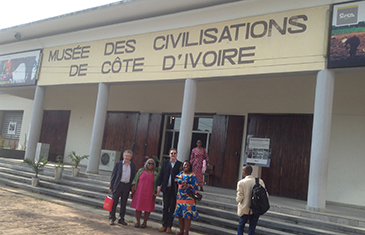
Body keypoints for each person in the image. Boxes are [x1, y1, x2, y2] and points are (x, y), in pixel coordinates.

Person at [156, 148, 182, 234]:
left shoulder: (179, 164)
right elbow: (161, 175)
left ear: (177, 154)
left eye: (174, 153)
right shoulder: (165, 163)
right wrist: (159, 186)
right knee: (165, 207)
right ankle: (164, 225)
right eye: (171, 153)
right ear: (169, 154)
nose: (173, 154)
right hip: (166, 189)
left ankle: (169, 226)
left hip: (174, 190)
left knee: (172, 208)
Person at [236, 165, 267, 235]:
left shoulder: (241, 182)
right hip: (256, 208)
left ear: (244, 172)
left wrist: (238, 199)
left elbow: (239, 198)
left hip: (244, 208)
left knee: (241, 226)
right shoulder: (259, 181)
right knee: (252, 228)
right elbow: (265, 194)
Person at [108, 150, 136, 225]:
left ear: (131, 157)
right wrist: (111, 186)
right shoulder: (118, 164)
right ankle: (112, 218)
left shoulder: (132, 165)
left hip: (126, 186)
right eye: (126, 156)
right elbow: (113, 176)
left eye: (129, 156)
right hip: (118, 185)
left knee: (124, 204)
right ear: (123, 156)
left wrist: (132, 186)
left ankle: (121, 219)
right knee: (114, 203)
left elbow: (133, 176)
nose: (127, 157)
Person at [131, 158, 159, 229]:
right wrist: (133, 188)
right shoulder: (141, 171)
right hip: (139, 192)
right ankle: (138, 222)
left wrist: (155, 194)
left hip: (149, 193)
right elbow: (135, 180)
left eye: (152, 164)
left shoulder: (155, 174)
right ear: (146, 163)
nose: (150, 165)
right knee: (138, 207)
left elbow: (156, 185)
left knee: (147, 208)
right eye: (149, 163)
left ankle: (144, 222)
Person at [173, 160, 199, 235]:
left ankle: (186, 232)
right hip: (180, 197)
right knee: (180, 215)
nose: (186, 166)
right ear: (182, 166)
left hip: (188, 198)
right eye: (185, 165)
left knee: (187, 216)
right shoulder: (180, 174)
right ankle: (181, 231)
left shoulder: (193, 175)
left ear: (190, 166)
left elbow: (196, 186)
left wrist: (189, 185)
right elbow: (176, 180)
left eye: (188, 165)